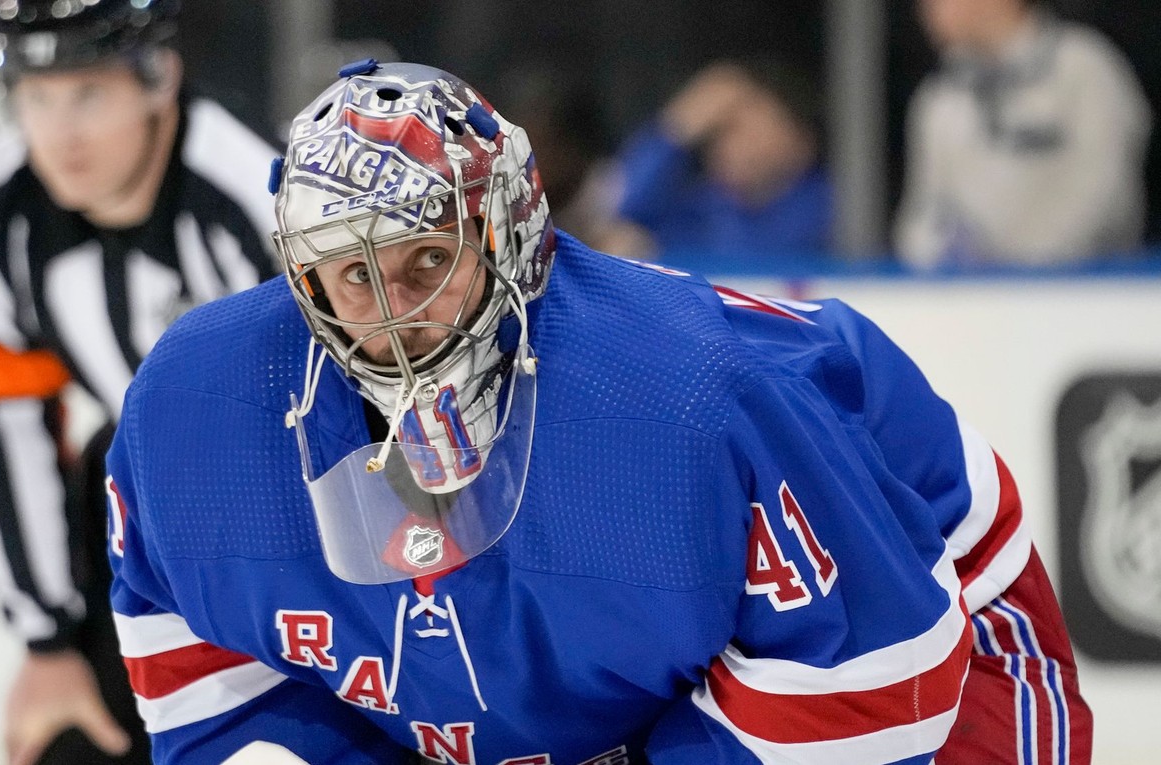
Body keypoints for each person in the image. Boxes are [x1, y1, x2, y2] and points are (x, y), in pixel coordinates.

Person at [106, 61, 1088, 763]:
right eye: (348, 275)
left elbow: (875, 685)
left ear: (509, 238)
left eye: (422, 263)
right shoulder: (196, 405)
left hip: (941, 643)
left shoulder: (695, 400)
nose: (390, 314)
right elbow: (199, 664)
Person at [0, 1, 281, 763]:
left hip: (298, 538)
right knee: (68, 740)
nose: (61, 133)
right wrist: (46, 641)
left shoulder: (256, 197)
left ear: (160, 80)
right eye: (36, 97)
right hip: (142, 506)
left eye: (87, 93)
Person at [895, 0, 1151, 268]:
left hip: (1088, 289)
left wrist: (1024, 264)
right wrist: (937, 254)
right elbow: (922, 214)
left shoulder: (1084, 67)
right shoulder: (940, 96)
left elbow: (1104, 191)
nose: (928, 8)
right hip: (974, 296)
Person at [600, 58, 833, 267]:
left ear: (801, 139)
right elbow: (614, 206)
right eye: (717, 132)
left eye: (744, 129)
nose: (731, 147)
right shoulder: (698, 210)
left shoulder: (829, 205)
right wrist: (676, 127)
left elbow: (755, 263)